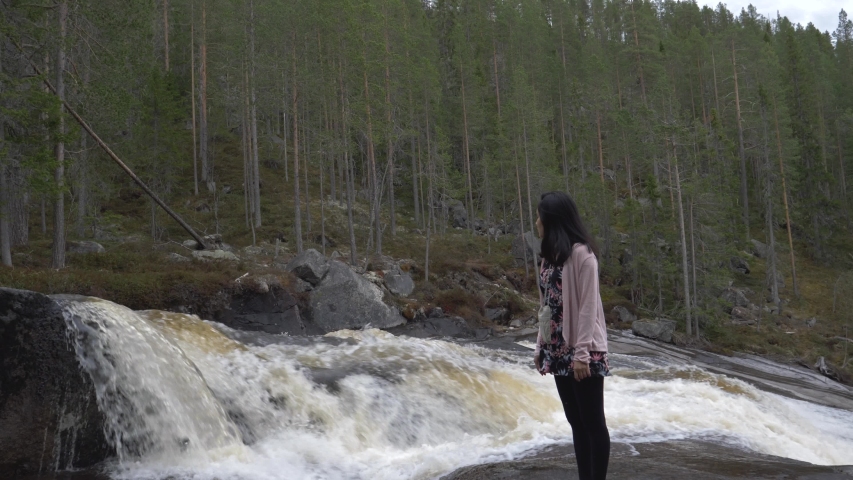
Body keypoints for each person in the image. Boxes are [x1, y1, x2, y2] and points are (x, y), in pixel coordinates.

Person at [533, 191, 610, 480]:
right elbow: (546, 307)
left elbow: (589, 307)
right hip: (557, 349)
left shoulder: (583, 256)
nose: (536, 220)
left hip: (584, 351)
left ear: (552, 220)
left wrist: (582, 355)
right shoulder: (550, 257)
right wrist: (540, 346)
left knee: (593, 423)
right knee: (576, 422)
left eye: (539, 215)